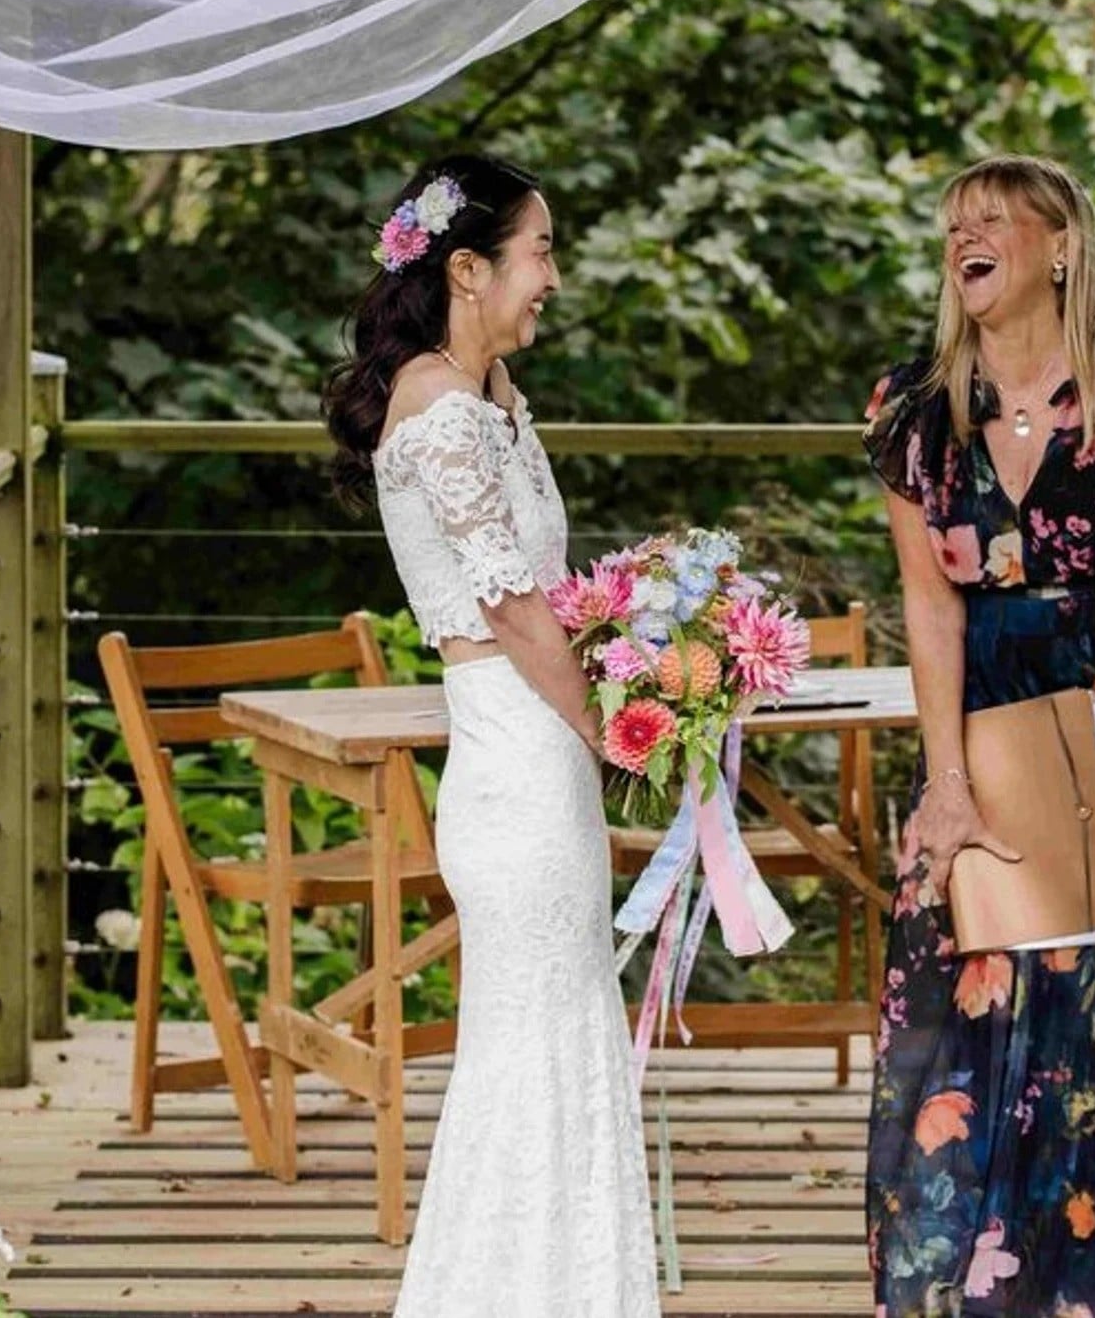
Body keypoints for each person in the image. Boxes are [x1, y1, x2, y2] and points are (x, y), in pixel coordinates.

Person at [862, 154, 1095, 1318]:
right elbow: (928, 600)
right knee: (956, 994)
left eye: (992, 218)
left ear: (1059, 245)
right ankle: (953, 1284)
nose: (963, 234)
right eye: (953, 222)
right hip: (986, 727)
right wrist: (944, 776)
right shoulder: (915, 412)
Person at [321, 154, 658, 1317]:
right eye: (541, 251)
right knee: (530, 1040)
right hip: (513, 760)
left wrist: (641, 646)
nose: (553, 277)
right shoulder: (443, 412)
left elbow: (555, 590)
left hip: (541, 755)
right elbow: (511, 602)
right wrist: (614, 725)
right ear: (467, 269)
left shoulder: (498, 397)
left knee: (565, 1028)